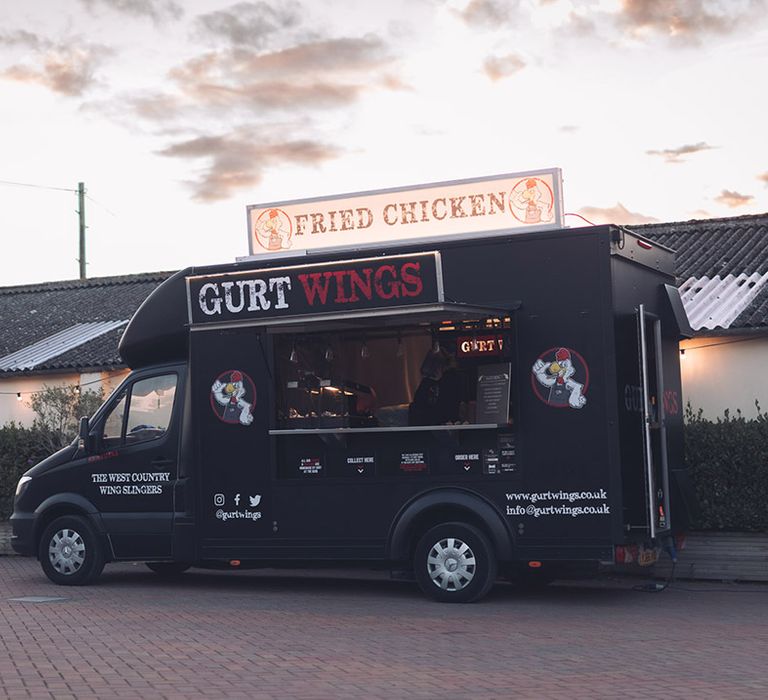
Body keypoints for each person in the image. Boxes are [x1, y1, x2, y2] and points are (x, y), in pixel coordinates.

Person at [409, 347, 463, 425]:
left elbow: (419, 405)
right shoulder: (452, 380)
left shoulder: (448, 380)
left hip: (433, 426)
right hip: (442, 425)